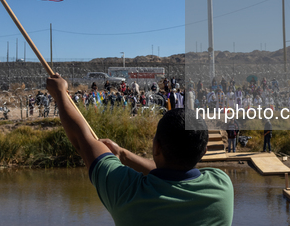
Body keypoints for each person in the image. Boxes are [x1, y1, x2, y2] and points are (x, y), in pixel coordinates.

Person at [46, 74, 233, 226]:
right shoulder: (222, 186)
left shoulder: (127, 192)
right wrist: (123, 155)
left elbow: (83, 140)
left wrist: (60, 94)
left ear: (156, 146)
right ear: (204, 151)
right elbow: (169, 175)